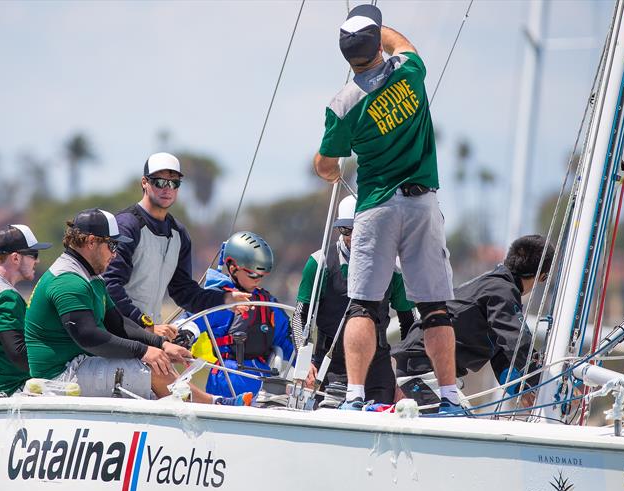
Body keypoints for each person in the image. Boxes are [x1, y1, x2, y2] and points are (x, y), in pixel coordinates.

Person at [313, 5, 459, 413]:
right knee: (434, 307)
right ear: (378, 43)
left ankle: (355, 398)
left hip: (375, 206)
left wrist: (328, 169)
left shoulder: (342, 104)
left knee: (363, 303)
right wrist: (378, 30)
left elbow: (325, 165)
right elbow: (403, 44)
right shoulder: (409, 72)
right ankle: (450, 397)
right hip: (422, 204)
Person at [24, 208, 250, 406]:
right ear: (91, 242)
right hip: (60, 375)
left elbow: (118, 323)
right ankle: (215, 405)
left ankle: (201, 408)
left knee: (158, 361)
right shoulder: (68, 281)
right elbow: (90, 337)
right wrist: (144, 351)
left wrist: (161, 344)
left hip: (80, 364)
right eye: (112, 245)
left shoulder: (91, 277)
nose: (115, 253)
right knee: (153, 369)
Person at [394, 235, 555, 410]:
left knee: (462, 425)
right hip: (422, 370)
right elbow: (517, 341)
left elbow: (502, 355)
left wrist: (522, 388)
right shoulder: (502, 292)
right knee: (460, 430)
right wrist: (546, 381)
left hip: (421, 367)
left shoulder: (492, 286)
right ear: (542, 276)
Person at [103, 152, 249, 340]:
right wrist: (145, 324)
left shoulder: (178, 233)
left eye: (174, 183)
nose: (167, 189)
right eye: (160, 182)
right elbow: (109, 286)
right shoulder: (126, 225)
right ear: (144, 182)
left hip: (149, 335)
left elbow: (184, 292)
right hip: (118, 334)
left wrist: (226, 299)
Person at [296, 195, 415, 405]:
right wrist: (303, 361)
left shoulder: (393, 267)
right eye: (345, 230)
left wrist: (405, 378)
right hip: (331, 366)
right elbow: (299, 317)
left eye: (359, 230)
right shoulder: (319, 262)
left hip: (378, 369)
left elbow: (410, 325)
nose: (352, 237)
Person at [185, 231, 294, 398]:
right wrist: (184, 335)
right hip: (227, 378)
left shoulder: (268, 304)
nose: (258, 279)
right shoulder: (215, 299)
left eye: (263, 275)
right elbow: (191, 322)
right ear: (233, 267)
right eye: (253, 274)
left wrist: (308, 363)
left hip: (264, 381)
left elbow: (288, 344)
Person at [0, 224, 51, 395]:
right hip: (11, 390)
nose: (37, 261)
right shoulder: (6, 296)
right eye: (34, 255)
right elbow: (19, 355)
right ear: (15, 258)